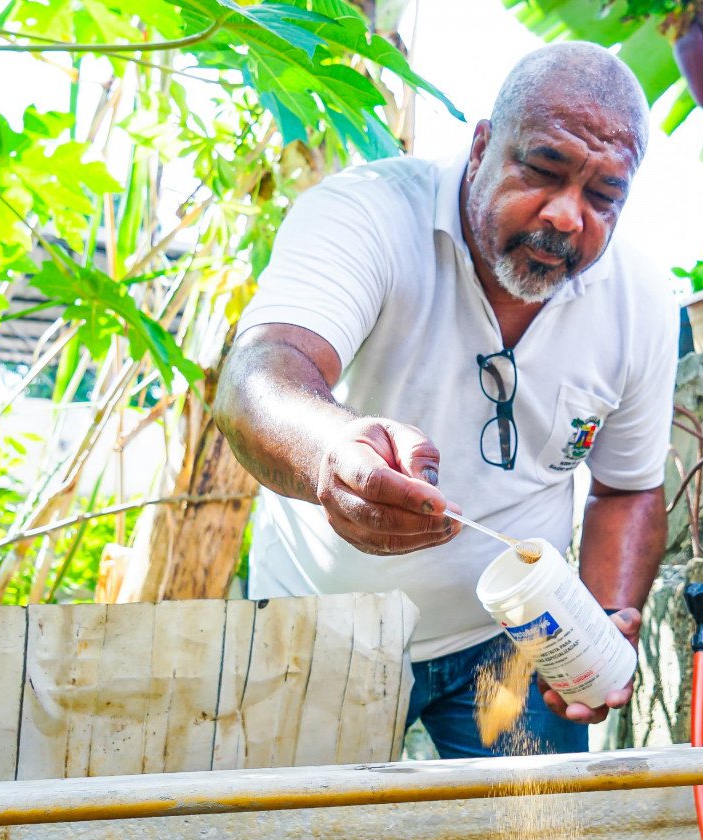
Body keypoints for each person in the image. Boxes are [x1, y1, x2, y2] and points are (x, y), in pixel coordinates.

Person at [213, 42, 675, 758]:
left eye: (603, 196)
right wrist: (333, 457)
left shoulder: (641, 301)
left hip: (516, 647)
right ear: (482, 146)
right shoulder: (364, 215)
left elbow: (627, 489)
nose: (565, 215)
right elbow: (262, 376)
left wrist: (607, 613)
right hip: (320, 630)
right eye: (544, 171)